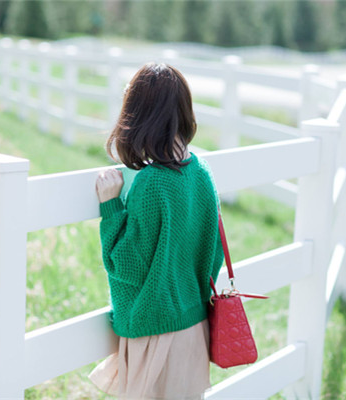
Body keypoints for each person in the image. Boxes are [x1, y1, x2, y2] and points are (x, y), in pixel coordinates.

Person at [89, 62, 224, 400]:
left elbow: (126, 266)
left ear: (138, 115)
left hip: (157, 330)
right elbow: (214, 255)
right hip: (194, 325)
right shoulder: (201, 173)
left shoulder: (152, 183)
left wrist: (110, 207)